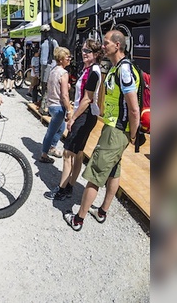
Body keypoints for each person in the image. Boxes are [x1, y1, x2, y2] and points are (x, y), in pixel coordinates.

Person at [65, 30, 140, 231]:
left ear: (117, 45)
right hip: (116, 128)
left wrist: (133, 134)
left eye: (106, 43)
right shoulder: (118, 68)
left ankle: (78, 219)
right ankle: (102, 211)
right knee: (114, 171)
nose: (103, 45)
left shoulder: (124, 70)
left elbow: (134, 108)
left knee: (95, 174)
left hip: (116, 129)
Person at [44, 39, 103, 201]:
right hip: (85, 114)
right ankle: (69, 187)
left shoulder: (93, 71)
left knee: (67, 154)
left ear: (96, 54)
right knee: (77, 154)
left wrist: (72, 118)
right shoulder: (89, 69)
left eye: (88, 51)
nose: (84, 54)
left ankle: (61, 189)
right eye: (83, 50)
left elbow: (87, 99)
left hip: (84, 115)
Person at [39, 47, 73, 164]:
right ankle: (44, 153)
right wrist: (69, 110)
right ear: (61, 59)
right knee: (52, 131)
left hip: (52, 104)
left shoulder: (53, 70)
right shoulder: (63, 73)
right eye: (67, 57)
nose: (69, 59)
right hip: (58, 105)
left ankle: (51, 147)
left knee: (60, 128)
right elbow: (64, 95)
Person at [39, 25, 59, 113]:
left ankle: (45, 106)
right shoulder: (43, 42)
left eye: (45, 32)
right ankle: (43, 103)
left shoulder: (53, 42)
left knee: (47, 85)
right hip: (43, 65)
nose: (44, 34)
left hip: (49, 65)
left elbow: (57, 52)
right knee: (43, 84)